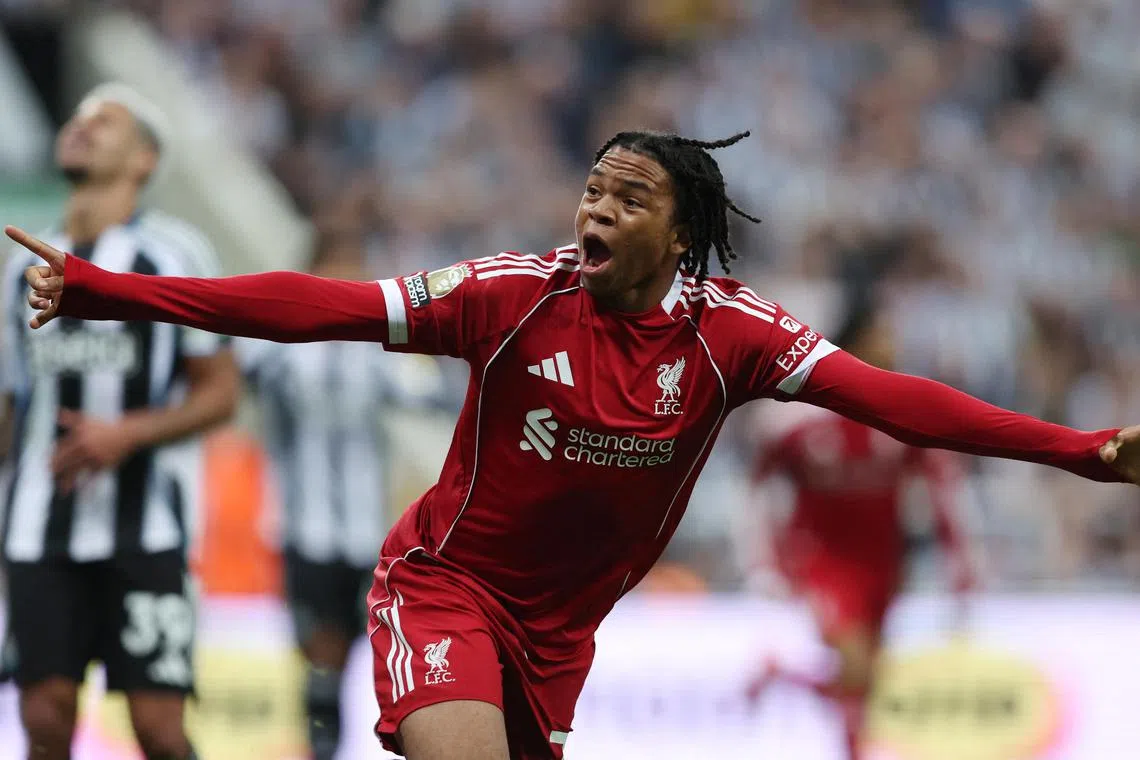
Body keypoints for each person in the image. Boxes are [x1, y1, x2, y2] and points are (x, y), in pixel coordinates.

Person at [9, 129, 1138, 760]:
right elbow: (320, 303)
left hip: (560, 633)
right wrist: (110, 292)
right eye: (592, 185)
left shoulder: (734, 334)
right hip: (444, 586)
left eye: (629, 194)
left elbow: (892, 400)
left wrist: (1082, 450)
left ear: (678, 233)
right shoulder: (510, 295)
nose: (594, 206)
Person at [0, 84, 240, 760]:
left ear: (144, 158)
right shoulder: (21, 265)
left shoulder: (175, 256)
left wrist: (128, 432)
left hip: (145, 529)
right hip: (35, 528)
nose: (81, 127)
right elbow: (11, 410)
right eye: (75, 118)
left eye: (104, 121)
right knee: (43, 718)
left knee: (158, 728)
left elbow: (219, 392)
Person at [239, 231, 445, 760]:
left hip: (362, 534)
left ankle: (326, 738)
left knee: (347, 654)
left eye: (353, 272)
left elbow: (430, 391)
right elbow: (235, 373)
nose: (343, 284)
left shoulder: (378, 352)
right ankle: (320, 742)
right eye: (333, 271)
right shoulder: (281, 349)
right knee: (319, 655)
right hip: (300, 526)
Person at [742, 294, 977, 760]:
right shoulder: (796, 415)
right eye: (883, 335)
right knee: (853, 667)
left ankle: (784, 679)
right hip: (822, 563)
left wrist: (962, 568)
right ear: (858, 341)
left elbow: (942, 491)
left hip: (883, 564)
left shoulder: (904, 413)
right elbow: (754, 492)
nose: (892, 345)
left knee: (865, 685)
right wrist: (763, 562)